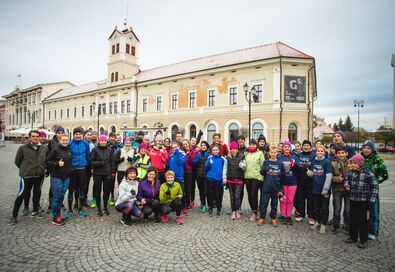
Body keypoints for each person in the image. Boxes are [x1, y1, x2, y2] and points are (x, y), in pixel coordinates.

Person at [10, 130, 47, 224]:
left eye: (37, 136)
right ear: (29, 137)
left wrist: (43, 169)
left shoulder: (44, 147)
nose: (35, 137)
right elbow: (17, 161)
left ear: (39, 137)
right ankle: (14, 216)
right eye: (33, 136)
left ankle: (35, 211)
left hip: (39, 175)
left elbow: (46, 160)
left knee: (37, 193)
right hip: (27, 175)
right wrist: (25, 169)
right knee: (21, 194)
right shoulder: (23, 148)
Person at [344, 154, 378, 249]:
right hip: (353, 199)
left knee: (363, 221)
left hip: (364, 201)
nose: (353, 165)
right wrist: (347, 186)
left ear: (360, 163)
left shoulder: (368, 173)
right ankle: (353, 237)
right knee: (353, 219)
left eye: (355, 163)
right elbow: (347, 180)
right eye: (352, 163)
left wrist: (371, 200)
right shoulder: (351, 173)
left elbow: (374, 187)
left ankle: (363, 240)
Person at [361, 141, 388, 240]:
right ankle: (363, 229)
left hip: (373, 190)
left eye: (368, 148)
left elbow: (384, 175)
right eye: (365, 147)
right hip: (361, 190)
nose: (366, 150)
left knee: (373, 210)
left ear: (372, 149)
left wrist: (375, 182)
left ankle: (373, 231)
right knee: (362, 211)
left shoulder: (377, 159)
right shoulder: (360, 158)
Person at [46, 134, 72, 226]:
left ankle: (59, 215)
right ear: (59, 141)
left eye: (66, 140)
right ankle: (55, 218)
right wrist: (57, 163)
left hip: (66, 177)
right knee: (56, 197)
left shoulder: (69, 149)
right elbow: (48, 161)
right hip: (57, 177)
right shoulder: (55, 150)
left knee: (61, 196)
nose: (65, 142)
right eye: (63, 140)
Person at [258, 146, 285, 226]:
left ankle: (273, 218)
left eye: (275, 153)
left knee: (274, 204)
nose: (273, 154)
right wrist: (264, 169)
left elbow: (282, 177)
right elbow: (261, 173)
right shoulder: (266, 162)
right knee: (264, 203)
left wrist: (281, 189)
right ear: (269, 153)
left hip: (276, 188)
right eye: (272, 153)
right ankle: (262, 218)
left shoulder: (280, 164)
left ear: (277, 153)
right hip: (266, 187)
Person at [308, 146, 332, 234]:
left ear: (324, 152)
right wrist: (310, 174)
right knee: (316, 208)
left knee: (324, 208)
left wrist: (325, 189)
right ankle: (318, 221)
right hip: (315, 188)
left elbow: (329, 176)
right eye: (318, 151)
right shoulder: (313, 161)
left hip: (324, 190)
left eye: (322, 151)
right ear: (316, 152)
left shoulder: (326, 162)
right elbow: (312, 173)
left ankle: (323, 225)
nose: (320, 152)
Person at [90, 135, 115, 216]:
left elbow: (112, 162)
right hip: (97, 173)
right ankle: (98, 208)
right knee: (98, 191)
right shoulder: (95, 150)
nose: (103, 142)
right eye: (102, 140)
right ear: (99, 141)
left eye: (104, 140)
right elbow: (91, 162)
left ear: (106, 141)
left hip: (107, 173)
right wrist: (100, 163)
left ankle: (105, 207)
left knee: (106, 191)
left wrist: (113, 172)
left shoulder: (110, 150)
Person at [68, 127, 90, 217]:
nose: (78, 136)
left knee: (82, 188)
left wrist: (87, 166)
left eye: (79, 134)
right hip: (72, 169)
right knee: (72, 189)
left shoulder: (85, 143)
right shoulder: (70, 143)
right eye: (76, 134)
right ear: (73, 135)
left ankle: (80, 209)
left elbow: (87, 156)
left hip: (82, 168)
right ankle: (70, 209)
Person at [294, 140, 315, 224]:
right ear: (302, 147)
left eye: (307, 145)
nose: (306, 147)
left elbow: (313, 165)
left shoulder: (313, 155)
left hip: (310, 181)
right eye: (304, 145)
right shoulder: (298, 155)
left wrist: (308, 165)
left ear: (310, 147)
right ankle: (301, 215)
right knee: (300, 198)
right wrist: (303, 165)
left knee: (310, 200)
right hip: (300, 180)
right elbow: (297, 164)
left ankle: (311, 216)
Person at [223, 141, 245, 220]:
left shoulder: (242, 156)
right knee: (232, 197)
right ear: (230, 149)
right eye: (232, 149)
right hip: (230, 180)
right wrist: (224, 178)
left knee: (237, 196)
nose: (233, 150)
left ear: (237, 149)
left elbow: (244, 168)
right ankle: (233, 211)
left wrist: (242, 166)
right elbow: (225, 168)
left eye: (235, 149)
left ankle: (237, 210)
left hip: (239, 179)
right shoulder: (227, 157)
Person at [45, 126, 65, 214]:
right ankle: (51, 204)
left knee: (62, 188)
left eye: (62, 133)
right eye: (58, 133)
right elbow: (48, 156)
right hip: (54, 168)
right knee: (53, 188)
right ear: (56, 133)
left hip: (63, 168)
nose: (60, 134)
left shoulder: (65, 141)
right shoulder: (51, 142)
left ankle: (60, 203)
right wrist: (48, 168)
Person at [278, 141, 299, 225]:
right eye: (285, 147)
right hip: (283, 182)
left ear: (290, 148)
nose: (287, 148)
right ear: (283, 148)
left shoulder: (294, 157)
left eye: (288, 147)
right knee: (283, 199)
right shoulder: (279, 157)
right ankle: (283, 215)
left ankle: (288, 216)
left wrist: (295, 165)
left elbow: (300, 168)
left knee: (290, 200)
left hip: (292, 182)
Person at [331, 145, 350, 233]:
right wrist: (337, 179)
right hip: (337, 189)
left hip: (348, 190)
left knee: (347, 210)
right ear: (336, 154)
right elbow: (330, 177)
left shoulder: (350, 163)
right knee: (337, 209)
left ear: (346, 153)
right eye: (339, 153)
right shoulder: (333, 164)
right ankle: (336, 226)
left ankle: (347, 225)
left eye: (343, 153)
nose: (341, 155)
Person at [244, 139, 265, 221]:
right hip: (247, 176)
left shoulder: (260, 153)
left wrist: (261, 176)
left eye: (253, 144)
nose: (252, 146)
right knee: (249, 195)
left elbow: (263, 165)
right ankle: (253, 209)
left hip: (256, 177)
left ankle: (255, 212)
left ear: (256, 145)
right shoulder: (246, 153)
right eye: (250, 144)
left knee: (254, 194)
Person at [205, 146, 226, 217]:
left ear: (219, 151)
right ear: (212, 151)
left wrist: (223, 178)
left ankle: (219, 208)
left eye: (216, 150)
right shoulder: (209, 158)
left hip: (219, 180)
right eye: (213, 150)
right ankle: (210, 208)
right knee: (210, 195)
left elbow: (224, 168)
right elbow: (206, 168)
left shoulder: (222, 159)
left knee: (218, 195)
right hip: (210, 179)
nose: (215, 151)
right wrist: (209, 163)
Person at [168, 141, 187, 211]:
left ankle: (183, 207)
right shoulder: (171, 155)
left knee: (181, 192)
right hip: (172, 177)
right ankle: (174, 207)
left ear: (178, 147)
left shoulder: (182, 154)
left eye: (176, 147)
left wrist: (176, 153)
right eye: (173, 147)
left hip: (179, 176)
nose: (174, 148)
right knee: (173, 192)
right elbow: (170, 166)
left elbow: (180, 162)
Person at [193, 141, 210, 213]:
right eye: (202, 145)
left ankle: (209, 204)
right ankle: (203, 204)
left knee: (207, 191)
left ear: (207, 146)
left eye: (204, 145)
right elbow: (194, 163)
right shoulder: (199, 154)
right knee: (201, 191)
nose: (203, 147)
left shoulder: (209, 154)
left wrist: (206, 156)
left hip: (207, 176)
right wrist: (198, 157)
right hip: (199, 175)